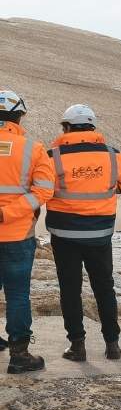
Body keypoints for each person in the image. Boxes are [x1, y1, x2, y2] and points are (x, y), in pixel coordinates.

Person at [45, 104, 121, 361]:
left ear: (66, 127)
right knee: (104, 287)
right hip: (100, 234)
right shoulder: (112, 155)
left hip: (64, 235)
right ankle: (113, 345)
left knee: (70, 289)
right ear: (93, 128)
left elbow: (42, 189)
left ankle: (77, 346)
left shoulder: (53, 156)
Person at [0, 90, 54, 373]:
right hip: (17, 235)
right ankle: (19, 355)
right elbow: (44, 190)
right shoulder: (33, 148)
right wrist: (8, 213)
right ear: (19, 116)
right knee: (18, 295)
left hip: (16, 235)